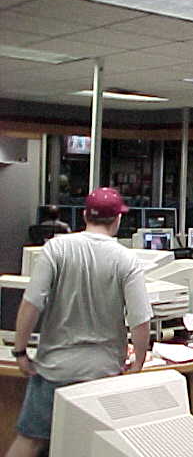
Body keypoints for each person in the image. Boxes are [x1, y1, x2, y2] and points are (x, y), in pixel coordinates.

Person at [6, 187, 152, 457]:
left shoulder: (56, 248)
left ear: (85, 215)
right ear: (118, 220)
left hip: (54, 370)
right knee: (96, 448)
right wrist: (139, 363)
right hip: (102, 374)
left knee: (29, 441)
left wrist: (20, 351)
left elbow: (31, 304)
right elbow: (140, 320)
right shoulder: (127, 259)